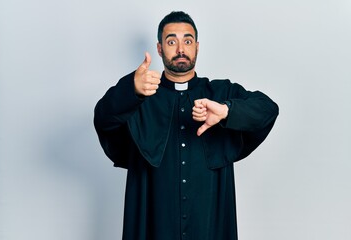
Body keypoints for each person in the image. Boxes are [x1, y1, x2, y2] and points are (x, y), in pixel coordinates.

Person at [94, 11, 279, 240]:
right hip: (154, 226)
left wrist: (226, 110)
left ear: (197, 47)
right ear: (160, 48)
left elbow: (268, 109)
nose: (181, 49)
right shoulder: (140, 95)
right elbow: (102, 118)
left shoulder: (220, 93)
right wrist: (130, 89)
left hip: (208, 226)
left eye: (188, 41)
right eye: (172, 41)